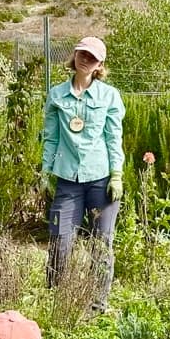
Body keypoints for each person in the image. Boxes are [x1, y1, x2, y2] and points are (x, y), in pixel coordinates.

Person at [41, 36, 125, 313]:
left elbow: (114, 138)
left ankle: (97, 305)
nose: (86, 59)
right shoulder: (56, 95)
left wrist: (116, 174)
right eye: (82, 53)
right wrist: (45, 171)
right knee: (60, 240)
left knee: (101, 243)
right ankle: (56, 301)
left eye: (93, 56)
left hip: (101, 180)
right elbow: (50, 138)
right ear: (75, 55)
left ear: (100, 64)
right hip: (68, 181)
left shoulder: (109, 96)